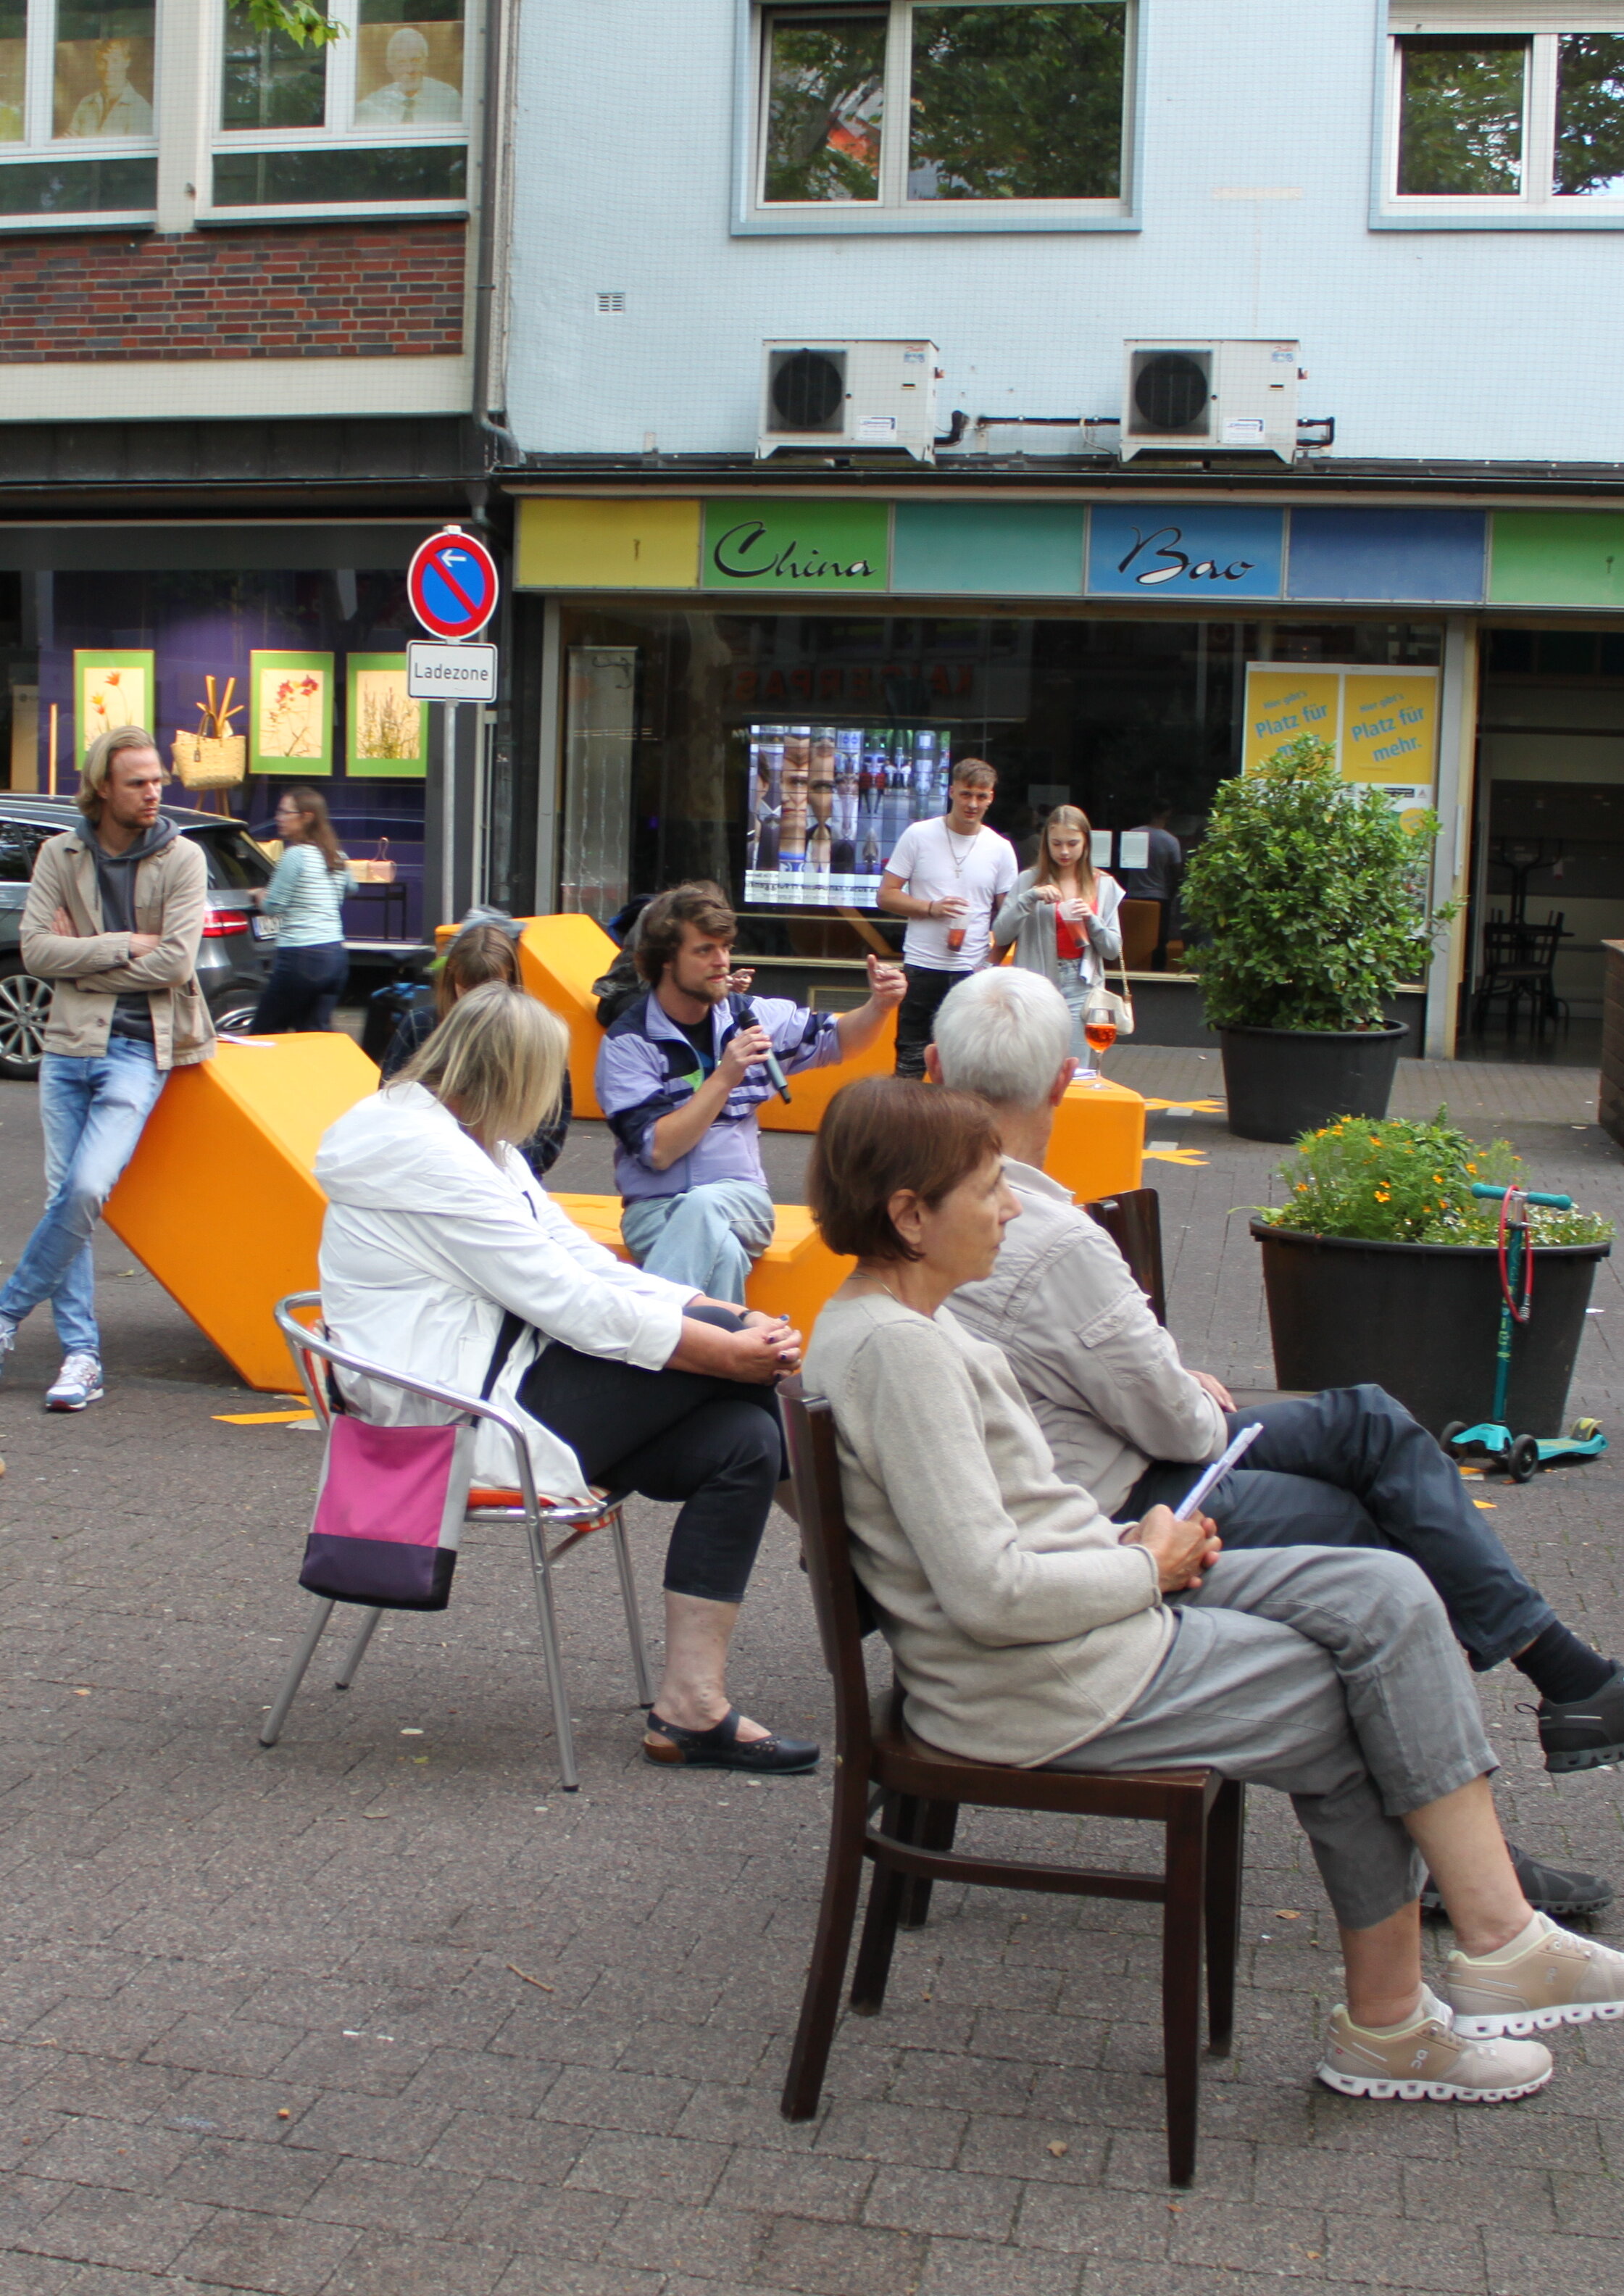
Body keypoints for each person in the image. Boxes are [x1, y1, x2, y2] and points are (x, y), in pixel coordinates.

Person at [801, 1078, 1624, 2105]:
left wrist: (1134, 1539)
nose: (1012, 1206)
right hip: (1046, 1679)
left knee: (1389, 1592)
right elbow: (988, 1594)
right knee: (1367, 1688)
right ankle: (1416, 2005)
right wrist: (1145, 1567)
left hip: (1075, 1631)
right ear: (910, 1216)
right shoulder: (901, 1353)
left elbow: (1003, 1538)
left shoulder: (902, 1327)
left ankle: (1481, 1955)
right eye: (987, 1189)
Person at [931, 965, 1624, 1916]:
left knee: (1368, 1442)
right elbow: (1176, 1421)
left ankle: (1546, 1708)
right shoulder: (1045, 1234)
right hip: (1115, 1505)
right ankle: (1490, 1825)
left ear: (935, 1069)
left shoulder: (916, 1208)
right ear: (1063, 1081)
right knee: (1371, 1520)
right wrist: (1179, 1383)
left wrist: (1167, 1382)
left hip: (1086, 1475)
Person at [317, 984, 818, 1774]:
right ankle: (843, 1556)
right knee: (743, 1378)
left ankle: (692, 1705)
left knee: (745, 1437)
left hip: (500, 1378)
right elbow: (568, 1302)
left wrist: (717, 1309)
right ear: (512, 1076)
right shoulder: (429, 1157)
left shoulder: (473, 1143)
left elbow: (582, 1264)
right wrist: (725, 1345)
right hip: (453, 1421)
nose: (554, 1103)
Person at [0, 727, 212, 1411]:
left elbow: (174, 963)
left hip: (138, 1049)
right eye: (137, 783)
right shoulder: (59, 854)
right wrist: (121, 944)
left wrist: (83, 959)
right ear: (102, 789)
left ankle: (6, 1312)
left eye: (158, 781)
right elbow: (36, 951)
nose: (154, 793)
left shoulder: (184, 858)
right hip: (67, 1045)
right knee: (66, 1197)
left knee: (88, 1187)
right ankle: (81, 1357)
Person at [595, 881, 906, 1303]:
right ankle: (726, 1343)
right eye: (704, 950)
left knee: (704, 1207)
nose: (722, 961)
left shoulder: (752, 1017)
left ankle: (645, 1327)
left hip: (743, 1202)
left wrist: (879, 1006)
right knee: (722, 1253)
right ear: (666, 959)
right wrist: (724, 1078)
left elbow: (839, 1040)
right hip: (653, 1210)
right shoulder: (629, 1042)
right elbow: (658, 1151)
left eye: (726, 947)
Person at [381, 909, 572, 1178]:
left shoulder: (534, 1032)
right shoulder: (421, 1025)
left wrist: (509, 1168)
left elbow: (551, 1122)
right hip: (430, 1174)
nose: (478, 1002)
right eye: (467, 990)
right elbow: (390, 1106)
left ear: (510, 978)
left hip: (505, 1175)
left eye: (490, 989)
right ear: (452, 977)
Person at [878, 757, 1017, 1080]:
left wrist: (991, 964)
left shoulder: (1000, 848)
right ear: (952, 791)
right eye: (966, 794)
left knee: (968, 1065)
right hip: (922, 966)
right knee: (911, 1060)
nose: (973, 804)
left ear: (991, 798)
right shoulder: (919, 835)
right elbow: (886, 895)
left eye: (981, 796)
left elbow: (1008, 919)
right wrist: (931, 908)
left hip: (972, 971)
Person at [991, 804, 1123, 1061]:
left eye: (1072, 844)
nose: (1064, 852)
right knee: (1034, 1061)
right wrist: (1029, 899)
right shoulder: (1029, 880)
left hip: (1081, 982)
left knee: (1076, 1064)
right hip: (1036, 980)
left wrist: (1092, 920)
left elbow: (1112, 950)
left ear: (1086, 843)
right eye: (1057, 844)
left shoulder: (1103, 884)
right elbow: (1002, 934)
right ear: (1046, 844)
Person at [248, 788, 354, 1034]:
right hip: (335, 956)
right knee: (313, 1035)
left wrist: (258, 895)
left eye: (286, 812)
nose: (279, 818)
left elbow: (273, 906)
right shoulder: (335, 855)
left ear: (306, 817)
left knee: (265, 1033)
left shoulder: (295, 855)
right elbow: (351, 887)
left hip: (301, 956)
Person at [354, 27, 463, 125]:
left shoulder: (449, 100)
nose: (410, 69)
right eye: (401, 62)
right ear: (390, 67)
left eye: (416, 60)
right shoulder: (373, 105)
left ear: (425, 62)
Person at [67, 38, 153, 138]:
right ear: (96, 63)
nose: (109, 68)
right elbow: (69, 141)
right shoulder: (85, 103)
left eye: (115, 61)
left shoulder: (141, 109)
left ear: (127, 62)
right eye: (103, 61)